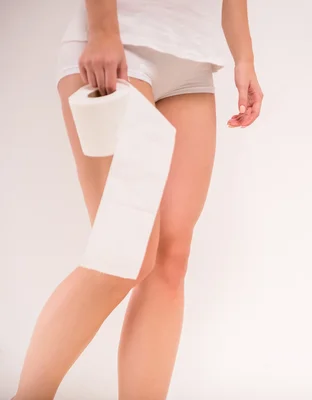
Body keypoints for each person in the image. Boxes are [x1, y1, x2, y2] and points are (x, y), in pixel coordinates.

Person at [13, 0, 263, 398]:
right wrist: (103, 30)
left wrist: (244, 57)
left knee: (170, 260)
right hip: (119, 46)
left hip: (192, 61)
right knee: (125, 254)